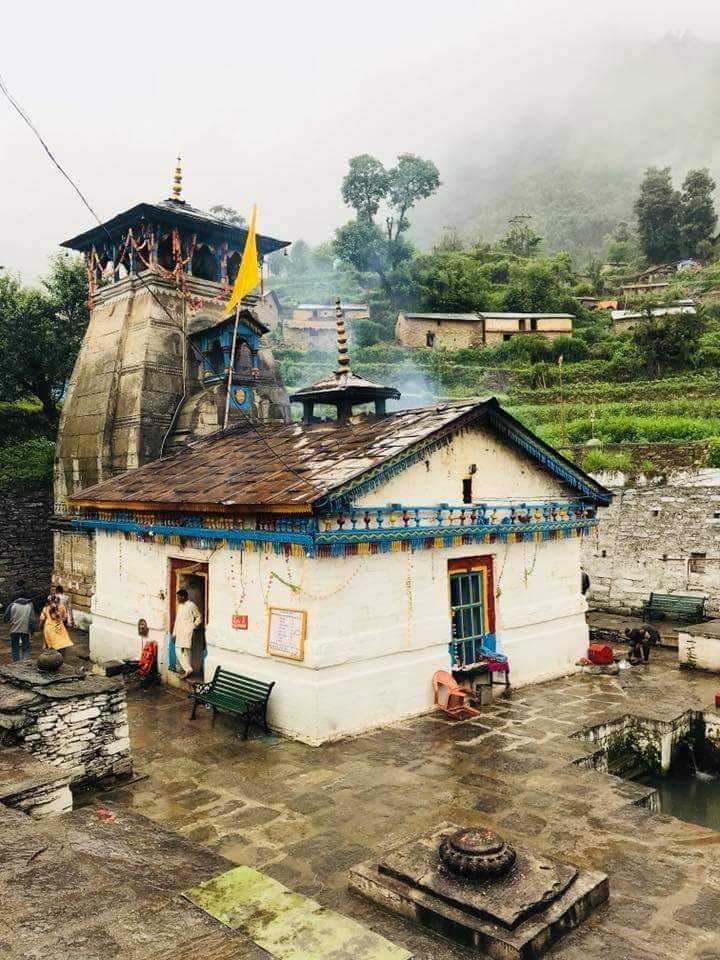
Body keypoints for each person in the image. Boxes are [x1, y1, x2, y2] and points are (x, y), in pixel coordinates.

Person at [3, 583, 37, 662]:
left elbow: (5, 618)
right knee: (26, 648)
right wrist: (32, 631)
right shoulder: (29, 605)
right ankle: (24, 664)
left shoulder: (12, 605)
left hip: (14, 630)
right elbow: (32, 620)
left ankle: (16, 665)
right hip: (25, 631)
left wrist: (8, 621)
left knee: (15, 648)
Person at [173, 588, 201, 680]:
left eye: (178, 597)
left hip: (187, 632)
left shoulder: (191, 605)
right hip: (179, 632)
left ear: (183, 597)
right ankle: (188, 669)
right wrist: (174, 633)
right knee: (178, 650)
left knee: (186, 652)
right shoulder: (180, 606)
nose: (177, 599)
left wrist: (193, 626)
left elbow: (199, 617)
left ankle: (187, 670)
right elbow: (177, 621)